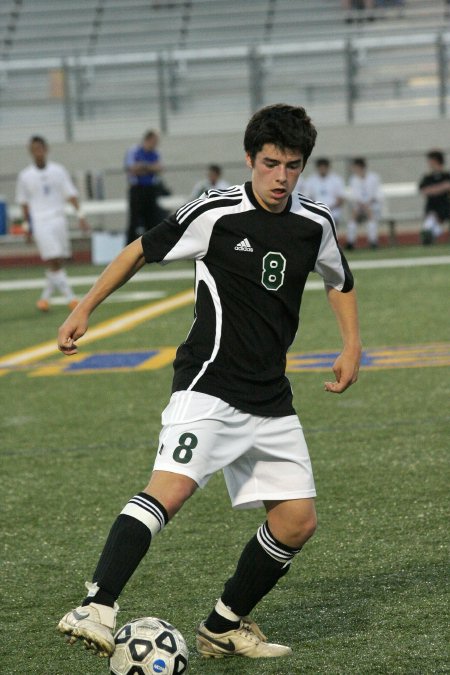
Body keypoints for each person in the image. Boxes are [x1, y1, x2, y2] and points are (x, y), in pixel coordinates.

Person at [57, 104, 361, 661]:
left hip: (271, 397)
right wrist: (85, 308)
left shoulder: (315, 222)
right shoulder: (215, 213)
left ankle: (222, 625)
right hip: (208, 385)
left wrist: (351, 345)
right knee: (168, 491)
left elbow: (339, 278)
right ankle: (96, 606)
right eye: (270, 164)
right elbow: (140, 251)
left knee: (296, 521)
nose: (280, 177)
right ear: (250, 159)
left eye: (293, 166)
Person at [15, 135, 89, 312]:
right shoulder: (25, 176)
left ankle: (44, 299)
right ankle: (70, 298)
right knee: (53, 257)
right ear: (30, 152)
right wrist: (27, 226)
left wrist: (81, 216)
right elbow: (24, 203)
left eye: (40, 148)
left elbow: (70, 194)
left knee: (58, 260)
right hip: (40, 221)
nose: (38, 152)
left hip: (58, 219)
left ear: (46, 149)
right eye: (34, 150)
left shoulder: (58, 171)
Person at [124, 130, 168, 245]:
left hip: (151, 190)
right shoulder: (134, 151)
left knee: (152, 220)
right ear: (148, 140)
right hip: (137, 189)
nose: (156, 144)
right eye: (154, 141)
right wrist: (149, 168)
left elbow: (159, 168)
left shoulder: (156, 153)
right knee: (134, 221)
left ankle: (152, 248)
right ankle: (128, 248)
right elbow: (132, 169)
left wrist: (143, 167)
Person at [346, 157, 383, 250]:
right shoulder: (353, 180)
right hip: (359, 207)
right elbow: (354, 196)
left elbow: (378, 194)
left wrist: (368, 204)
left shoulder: (374, 178)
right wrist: (361, 205)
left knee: (371, 214)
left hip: (372, 206)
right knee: (353, 216)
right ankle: (350, 242)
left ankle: (373, 241)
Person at [418, 149, 450, 245]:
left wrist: (434, 189)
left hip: (446, 206)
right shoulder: (427, 177)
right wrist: (442, 187)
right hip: (432, 207)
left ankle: (431, 235)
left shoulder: (447, 175)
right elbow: (424, 191)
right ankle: (429, 236)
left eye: (430, 160)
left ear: (435, 160)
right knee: (428, 225)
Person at [303, 157, 346, 228]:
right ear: (317, 168)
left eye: (324, 168)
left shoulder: (337, 179)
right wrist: (317, 209)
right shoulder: (310, 180)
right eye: (321, 168)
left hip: (333, 212)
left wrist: (328, 208)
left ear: (328, 167)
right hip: (316, 212)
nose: (323, 170)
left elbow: (341, 199)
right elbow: (306, 197)